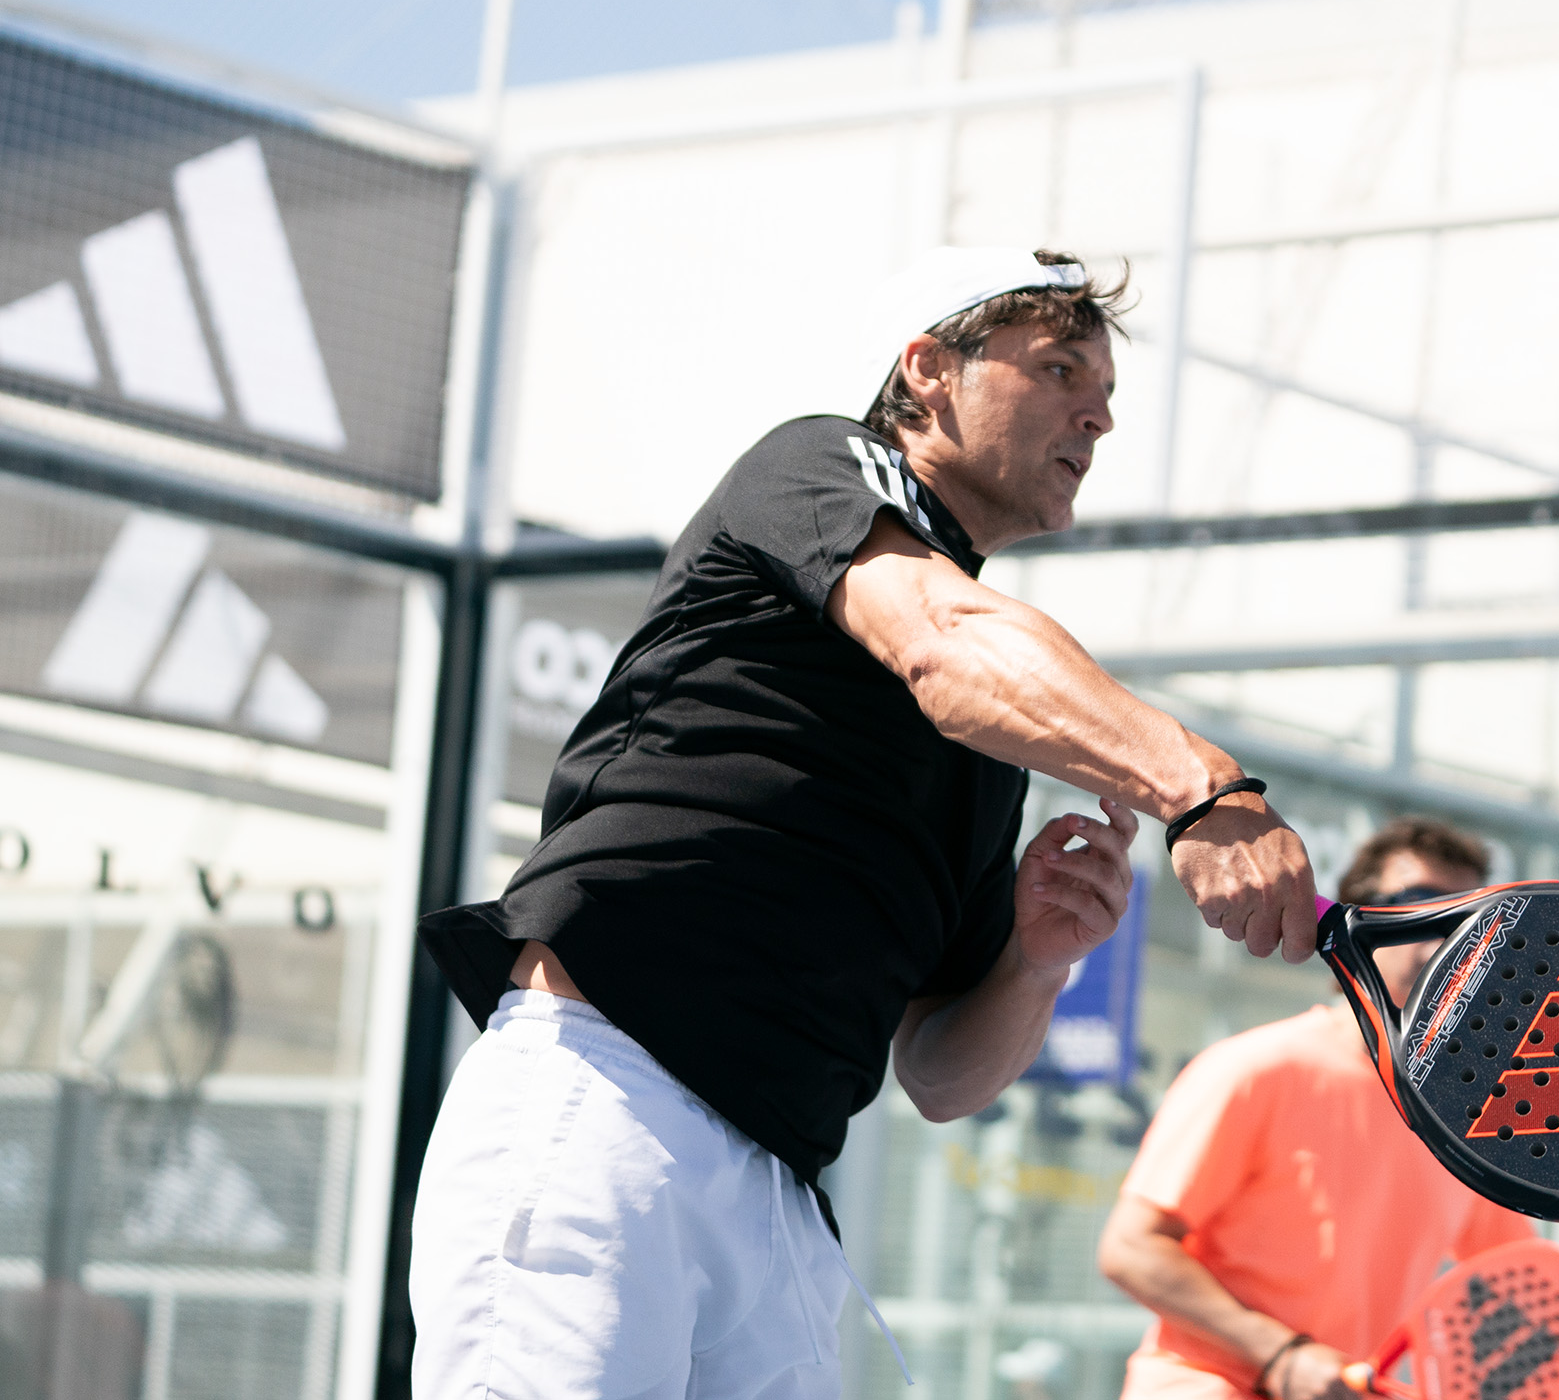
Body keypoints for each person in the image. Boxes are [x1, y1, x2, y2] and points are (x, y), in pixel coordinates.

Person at [408, 247, 1322, 1400]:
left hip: (779, 1190)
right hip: (604, 1102)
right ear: (927, 369)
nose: (1096, 413)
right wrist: (1199, 784)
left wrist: (1036, 966)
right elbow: (941, 640)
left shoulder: (996, 737)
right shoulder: (818, 466)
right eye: (1056, 368)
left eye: (1105, 393)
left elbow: (939, 1071)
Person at [1099, 818, 1542, 1400]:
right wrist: (1280, 1354)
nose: (1443, 935)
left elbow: (1519, 1289)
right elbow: (1131, 1248)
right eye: (1419, 905)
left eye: (1467, 918)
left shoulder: (1470, 1121)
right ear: (1358, 928)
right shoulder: (1256, 1069)